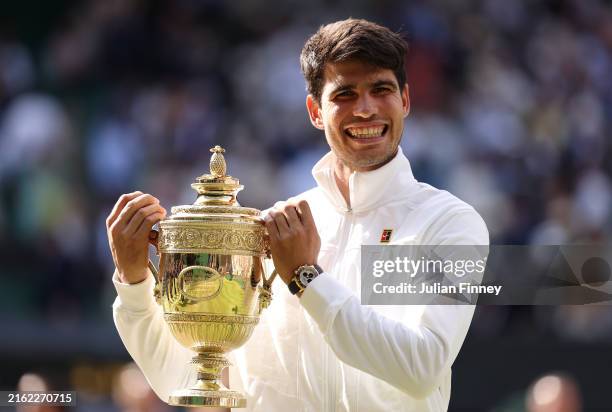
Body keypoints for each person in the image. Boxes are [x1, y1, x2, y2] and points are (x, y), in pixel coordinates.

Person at [109, 18, 489, 411]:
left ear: (405, 101)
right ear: (315, 111)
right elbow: (190, 378)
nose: (365, 109)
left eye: (381, 89)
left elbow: (420, 366)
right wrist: (134, 281)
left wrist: (307, 280)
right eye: (344, 94)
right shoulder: (272, 229)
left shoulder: (448, 222)